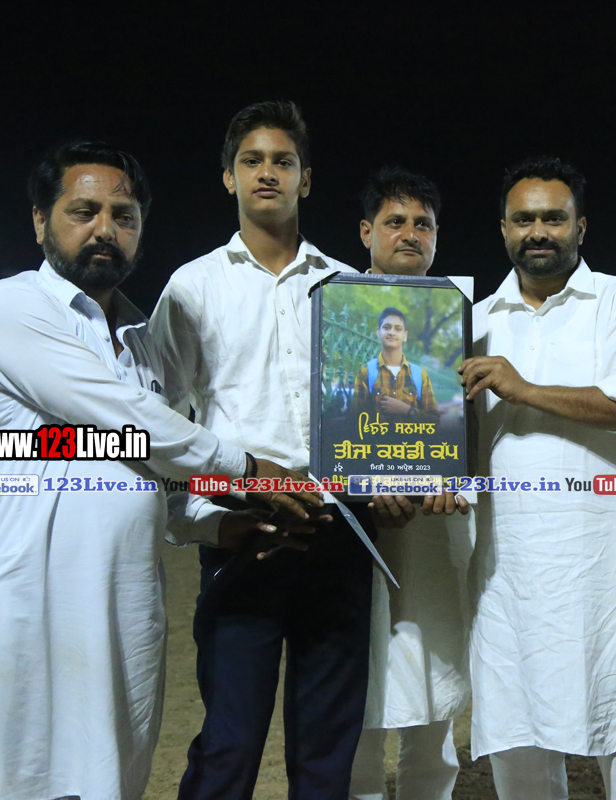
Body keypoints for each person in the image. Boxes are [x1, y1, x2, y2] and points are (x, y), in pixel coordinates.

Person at [0, 142, 314, 800]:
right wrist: (248, 468)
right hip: (25, 611)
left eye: (124, 215)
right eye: (83, 211)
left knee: (111, 780)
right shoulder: (13, 307)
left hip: (122, 617)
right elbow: (128, 420)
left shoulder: (142, 341)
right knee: (13, 781)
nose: (105, 229)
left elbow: (151, 465)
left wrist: (217, 527)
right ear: (40, 220)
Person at [150, 101, 416, 800]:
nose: (268, 172)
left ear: (306, 179)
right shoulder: (191, 287)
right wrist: (202, 524)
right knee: (230, 743)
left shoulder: (349, 289)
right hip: (246, 532)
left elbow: (376, 412)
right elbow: (161, 422)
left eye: (283, 161)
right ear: (229, 178)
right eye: (252, 160)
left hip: (339, 529)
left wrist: (395, 479)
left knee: (327, 751)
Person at [460, 155, 616, 800]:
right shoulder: (471, 320)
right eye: (524, 220)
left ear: (581, 226)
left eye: (554, 218)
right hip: (506, 574)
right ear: (503, 228)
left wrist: (522, 387)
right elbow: (445, 436)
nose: (538, 232)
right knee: (517, 747)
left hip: (604, 567)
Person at [347, 166, 474, 800]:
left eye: (423, 223)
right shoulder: (335, 324)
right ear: (366, 231)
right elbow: (333, 427)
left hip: (433, 528)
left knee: (431, 688)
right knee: (357, 697)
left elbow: (460, 424)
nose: (410, 233)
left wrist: (459, 482)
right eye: (395, 221)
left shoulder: (457, 325)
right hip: (355, 532)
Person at [351, 306, 438, 418]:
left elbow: (434, 420)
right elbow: (355, 418)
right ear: (378, 333)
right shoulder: (366, 372)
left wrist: (407, 410)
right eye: (386, 327)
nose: (391, 332)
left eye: (398, 329)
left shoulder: (420, 375)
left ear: (405, 336)